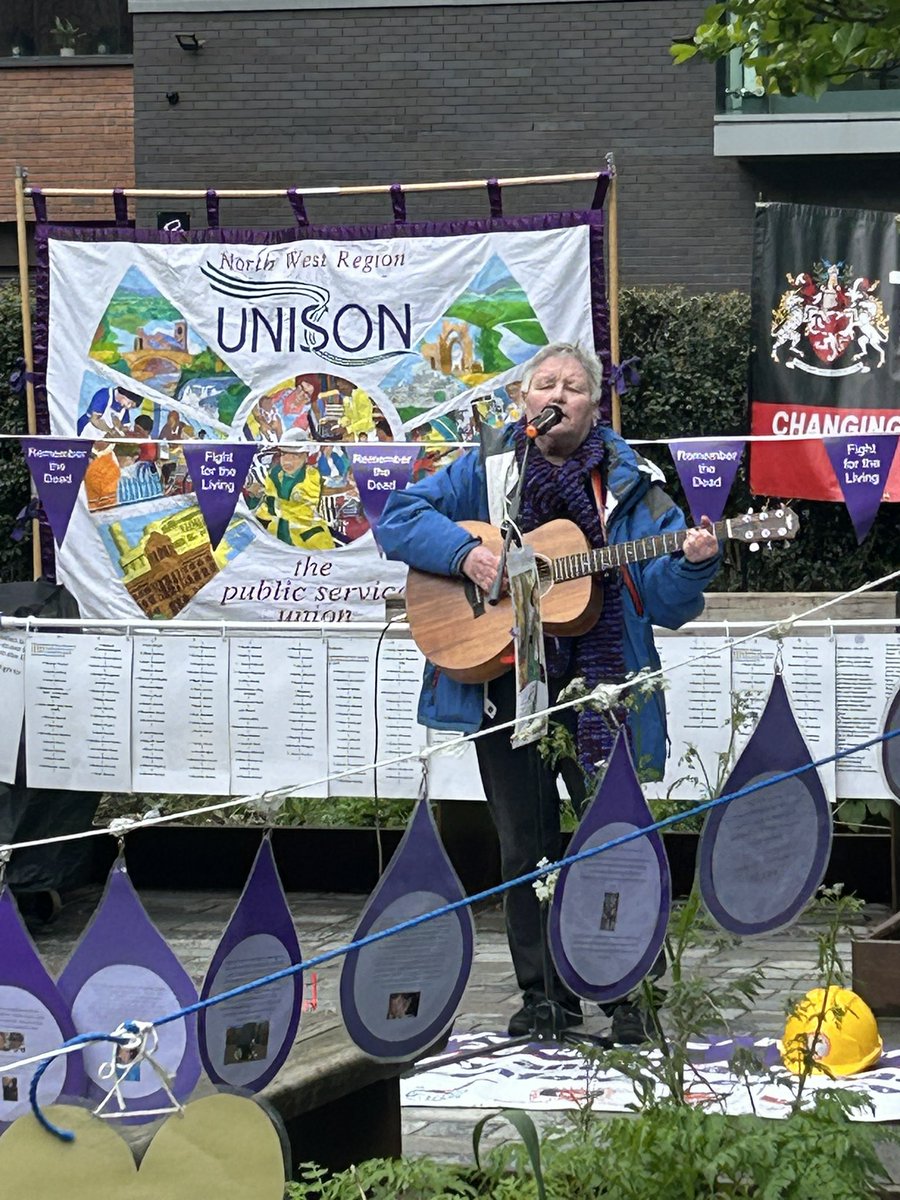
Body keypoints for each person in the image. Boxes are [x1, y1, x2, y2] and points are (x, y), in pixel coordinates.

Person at [379, 342, 720, 1040]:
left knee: (612, 840)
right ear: (523, 401)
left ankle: (630, 997)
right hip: (508, 682)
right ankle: (545, 999)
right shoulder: (488, 467)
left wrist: (691, 567)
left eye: (572, 386)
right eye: (544, 384)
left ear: (595, 407)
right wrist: (466, 554)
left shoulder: (632, 487)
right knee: (523, 846)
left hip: (601, 690)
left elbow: (665, 601)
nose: (556, 395)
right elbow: (399, 516)